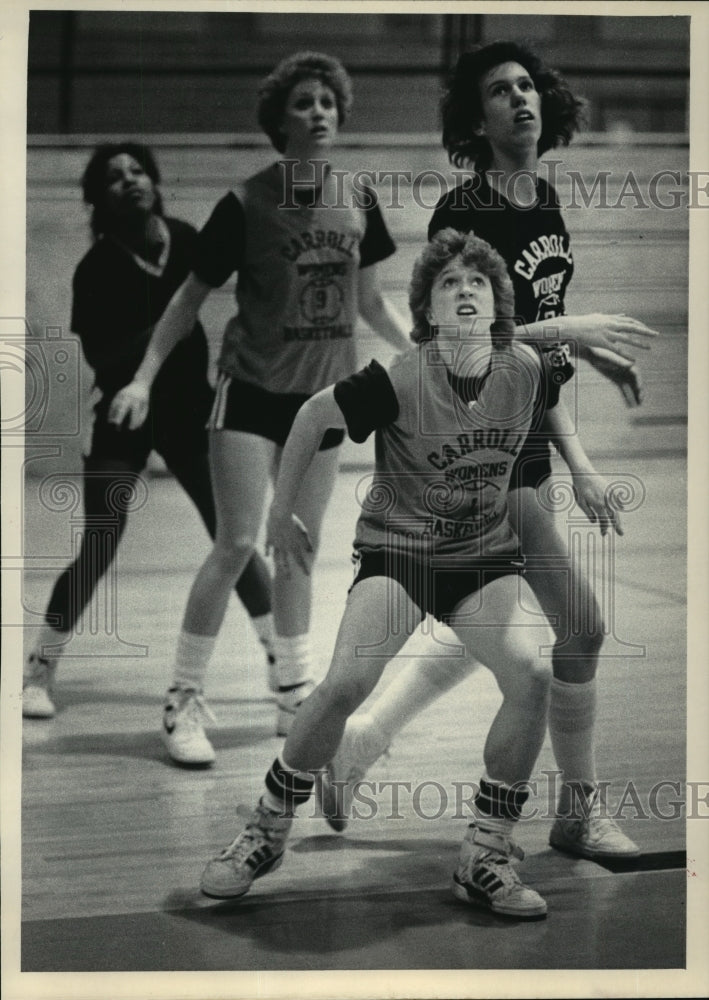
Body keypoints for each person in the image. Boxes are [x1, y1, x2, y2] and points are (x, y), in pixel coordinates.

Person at [318, 41, 655, 860]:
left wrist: (578, 441)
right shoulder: (462, 213)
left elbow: (533, 351)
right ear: (477, 119)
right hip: (477, 449)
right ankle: (575, 811)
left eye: (527, 85)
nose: (520, 99)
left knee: (498, 627)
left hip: (526, 439)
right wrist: (570, 329)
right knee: (580, 629)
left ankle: (364, 738)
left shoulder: (542, 200)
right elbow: (464, 341)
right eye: (499, 92)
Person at [197, 228, 579, 920]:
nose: (463, 289)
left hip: (481, 558)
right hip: (399, 556)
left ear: (498, 303)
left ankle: (485, 852)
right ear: (426, 311)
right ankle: (267, 826)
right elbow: (315, 415)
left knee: (532, 674)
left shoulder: (522, 365)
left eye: (477, 281)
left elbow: (549, 393)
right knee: (345, 681)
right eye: (447, 283)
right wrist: (280, 513)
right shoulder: (401, 376)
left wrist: (582, 471)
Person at [108, 53, 411, 764]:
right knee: (238, 543)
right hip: (249, 394)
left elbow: (369, 300)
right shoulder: (243, 204)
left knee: (298, 550)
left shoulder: (358, 199)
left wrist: (417, 349)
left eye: (328, 103)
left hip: (327, 399)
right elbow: (186, 301)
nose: (319, 113)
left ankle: (292, 693)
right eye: (304, 103)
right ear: (280, 119)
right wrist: (143, 379)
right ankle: (181, 700)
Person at [22, 143, 275, 736]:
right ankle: (39, 668)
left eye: (137, 171)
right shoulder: (97, 268)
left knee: (233, 537)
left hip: (190, 413)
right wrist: (161, 335)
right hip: (124, 414)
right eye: (113, 177)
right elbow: (99, 355)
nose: (129, 181)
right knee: (101, 542)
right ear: (97, 198)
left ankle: (282, 665)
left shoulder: (186, 239)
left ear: (155, 183)